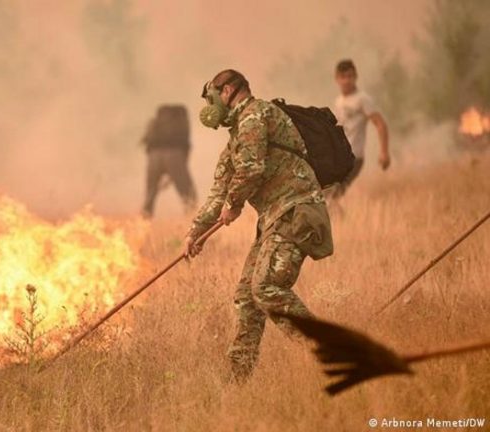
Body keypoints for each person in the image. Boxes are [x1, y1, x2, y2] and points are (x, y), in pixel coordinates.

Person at [184, 69, 334, 382]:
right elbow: (219, 194)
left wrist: (234, 204)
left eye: (212, 96)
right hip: (275, 219)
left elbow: (251, 170)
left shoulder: (256, 115)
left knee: (266, 288)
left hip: (296, 210)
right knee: (247, 297)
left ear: (227, 92)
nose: (211, 105)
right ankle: (237, 378)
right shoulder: (237, 137)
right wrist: (195, 232)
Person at [332, 59, 391, 197]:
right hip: (340, 157)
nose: (347, 80)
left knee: (332, 196)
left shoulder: (362, 99)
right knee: (328, 195)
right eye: (343, 77)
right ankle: (343, 219)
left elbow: (380, 123)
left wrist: (384, 152)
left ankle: (343, 218)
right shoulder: (339, 101)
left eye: (350, 76)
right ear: (337, 78)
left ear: (355, 77)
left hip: (354, 157)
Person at [141, 105, 197, 218]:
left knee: (150, 195)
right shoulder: (181, 121)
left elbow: (146, 143)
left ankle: (143, 223)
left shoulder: (155, 123)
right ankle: (194, 221)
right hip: (175, 155)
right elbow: (186, 145)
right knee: (188, 195)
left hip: (154, 155)